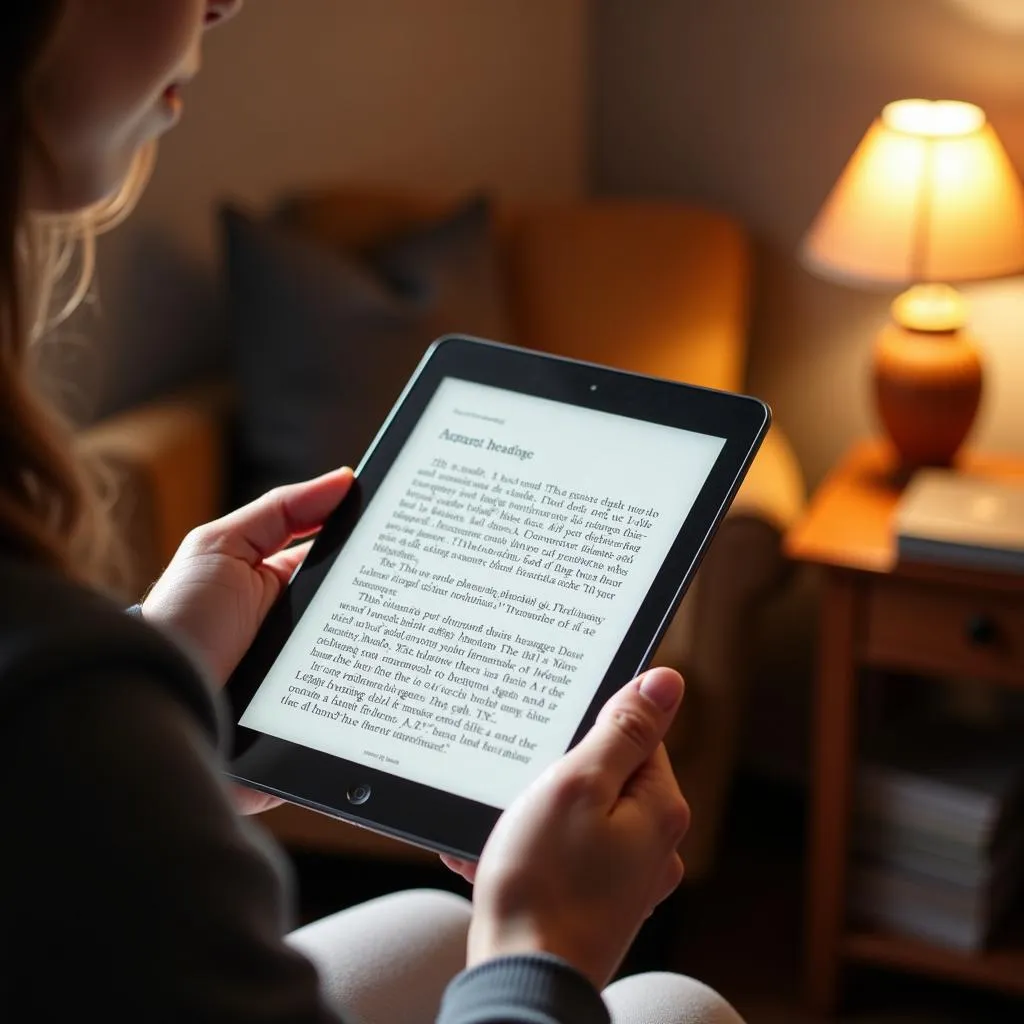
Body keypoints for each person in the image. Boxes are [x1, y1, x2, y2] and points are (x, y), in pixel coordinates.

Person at [0, 3, 746, 1022]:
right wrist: (541, 952)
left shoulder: (66, 690)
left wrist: (160, 693)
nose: (224, 4)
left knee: (435, 928)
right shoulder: (59, 695)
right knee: (674, 1005)